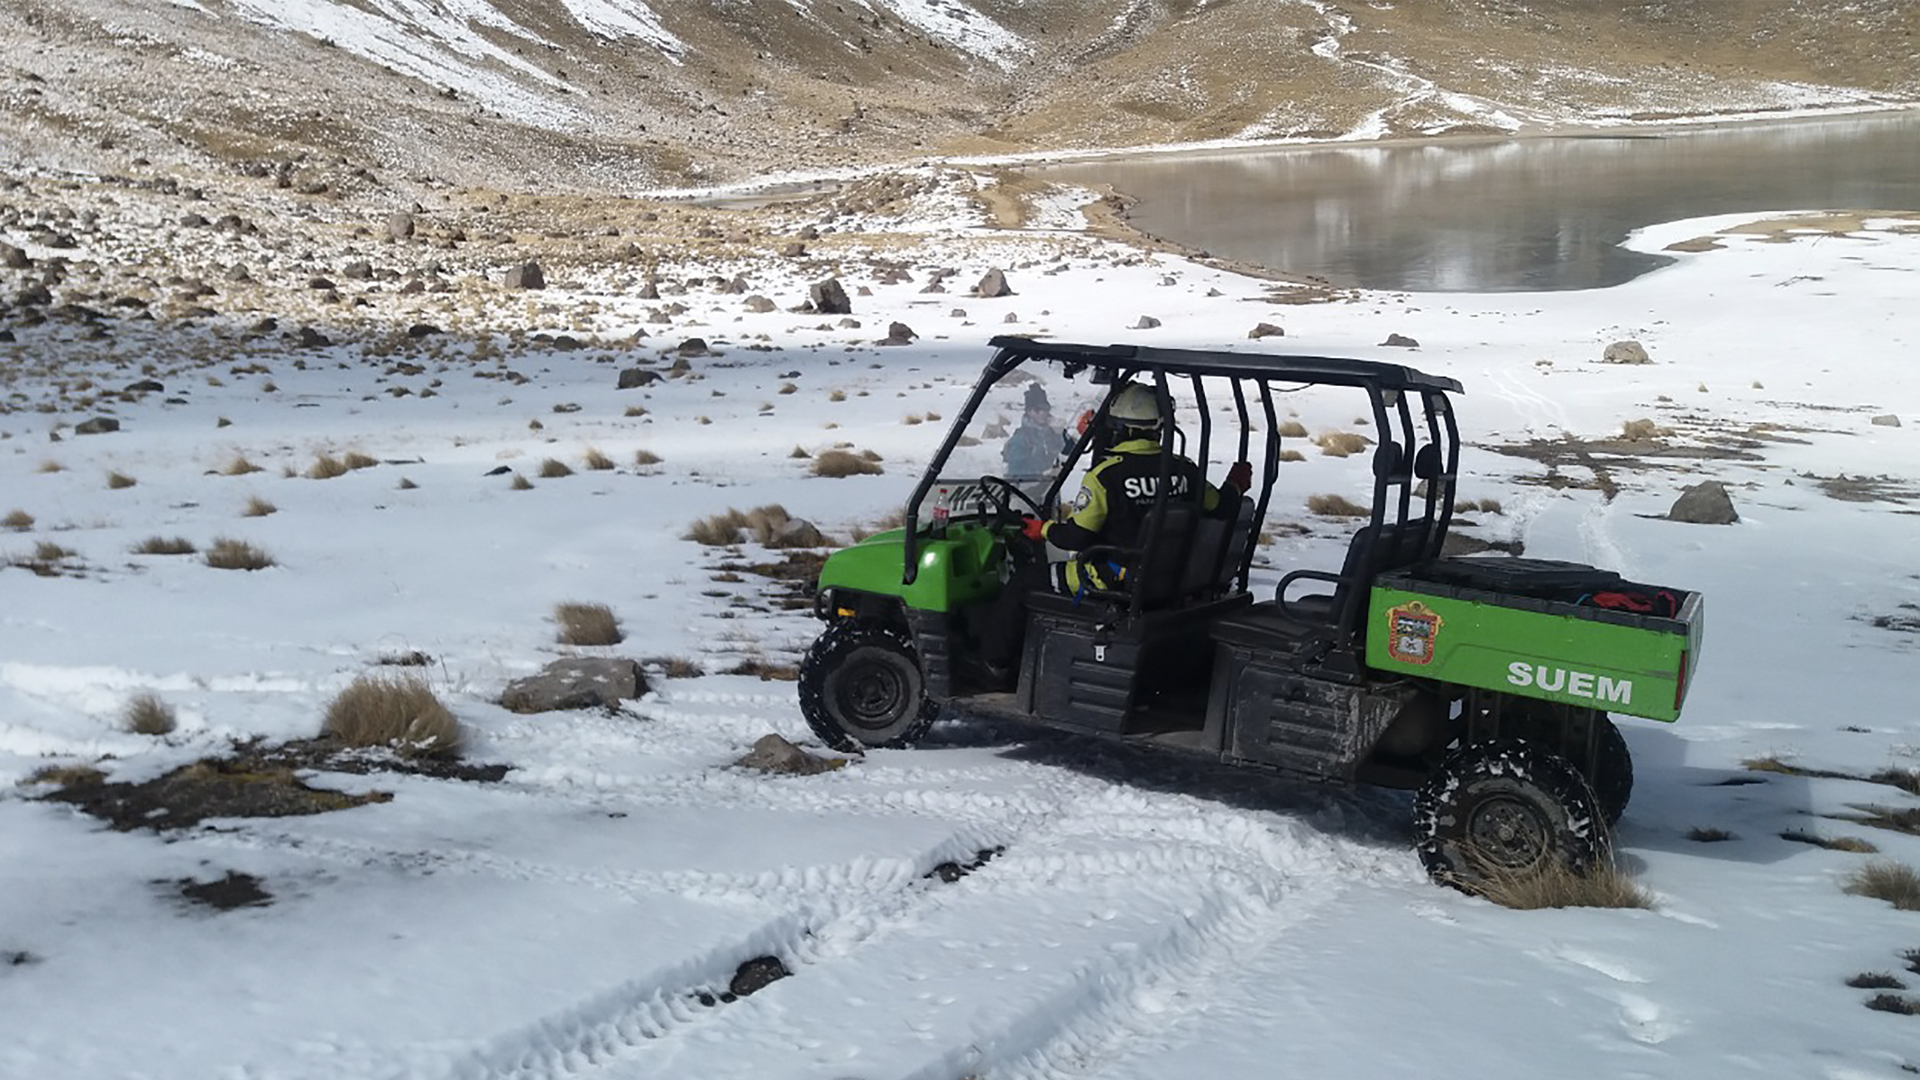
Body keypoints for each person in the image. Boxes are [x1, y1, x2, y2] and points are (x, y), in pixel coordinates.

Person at [1021, 382, 1251, 595]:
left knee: (1025, 582)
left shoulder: (1105, 476)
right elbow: (1222, 507)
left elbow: (1076, 538)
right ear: (1160, 427)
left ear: (1119, 429)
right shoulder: (1185, 470)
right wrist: (1235, 484)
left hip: (1113, 577)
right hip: (1170, 578)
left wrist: (1042, 529)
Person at [1001, 383, 1062, 501]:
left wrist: (1060, 434)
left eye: (1045, 409)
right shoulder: (1021, 438)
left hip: (1048, 493)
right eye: (1037, 410)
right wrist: (1044, 473)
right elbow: (1015, 473)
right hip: (1024, 496)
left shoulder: (1052, 432)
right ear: (1029, 411)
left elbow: (1069, 452)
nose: (1043, 413)